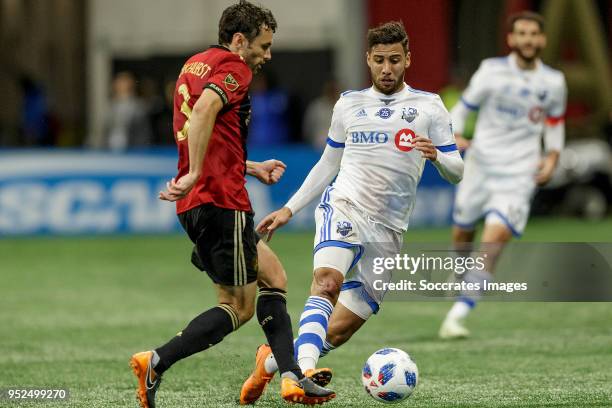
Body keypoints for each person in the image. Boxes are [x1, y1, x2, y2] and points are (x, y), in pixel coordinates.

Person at [239, 21, 464, 402]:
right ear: (368, 60)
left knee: (339, 330)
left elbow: (457, 171)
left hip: (389, 229)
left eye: (395, 60)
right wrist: (290, 209)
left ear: (408, 58)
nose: (387, 68)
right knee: (327, 282)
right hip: (344, 204)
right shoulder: (349, 104)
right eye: (379, 60)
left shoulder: (429, 106)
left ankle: (272, 361)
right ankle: (302, 375)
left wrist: (438, 156)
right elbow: (328, 163)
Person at [129, 2, 335, 407]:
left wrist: (248, 165)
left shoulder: (196, 64)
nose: (267, 55)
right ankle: (156, 360)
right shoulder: (235, 67)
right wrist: (193, 173)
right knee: (237, 307)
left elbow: (205, 125)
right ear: (240, 41)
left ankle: (292, 376)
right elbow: (206, 110)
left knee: (274, 277)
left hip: (198, 200)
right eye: (264, 44)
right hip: (221, 199)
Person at [439, 11, 567, 339]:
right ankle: (460, 275)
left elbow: (554, 123)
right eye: (521, 33)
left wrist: (552, 157)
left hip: (521, 172)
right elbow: (464, 107)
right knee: (462, 232)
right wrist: (452, 134)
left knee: (494, 240)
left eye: (533, 34)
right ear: (511, 39)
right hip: (481, 163)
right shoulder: (491, 72)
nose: (527, 39)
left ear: (542, 40)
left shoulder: (554, 82)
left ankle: (458, 313)